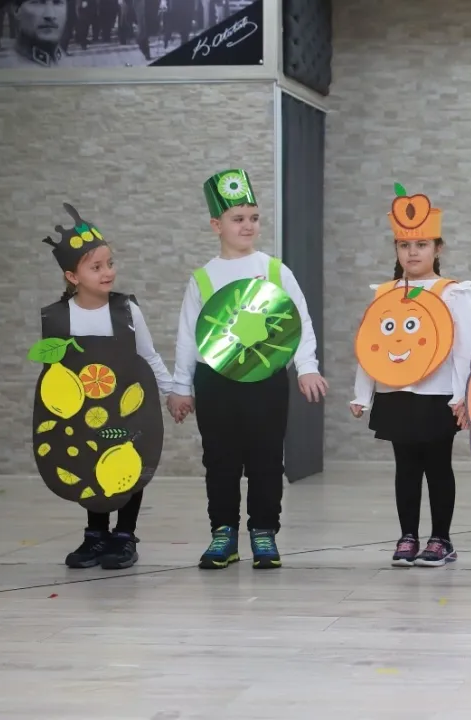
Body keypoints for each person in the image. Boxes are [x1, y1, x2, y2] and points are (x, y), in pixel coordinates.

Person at [168, 169, 327, 570]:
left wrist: (306, 366)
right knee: (219, 458)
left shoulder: (275, 271)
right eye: (237, 218)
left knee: (266, 457)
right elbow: (188, 335)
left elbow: (298, 321)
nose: (247, 225)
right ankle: (223, 533)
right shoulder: (203, 278)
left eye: (253, 218)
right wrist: (181, 386)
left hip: (266, 379)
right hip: (215, 380)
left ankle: (264, 531)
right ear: (216, 225)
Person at [37, 203, 173, 570]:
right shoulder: (58, 318)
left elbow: (148, 355)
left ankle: (124, 535)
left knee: (128, 463)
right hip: (83, 410)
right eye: (96, 267)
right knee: (88, 460)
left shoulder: (126, 311)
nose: (107, 272)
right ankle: (95, 534)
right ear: (72, 276)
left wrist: (172, 392)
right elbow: (54, 374)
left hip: (127, 404)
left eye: (109, 263)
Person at [350, 186, 471, 568]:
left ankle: (441, 539)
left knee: (437, 466)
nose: (413, 252)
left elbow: (466, 349)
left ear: (438, 248)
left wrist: (464, 395)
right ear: (396, 249)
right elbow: (372, 345)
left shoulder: (453, 293)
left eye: (422, 244)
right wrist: (362, 394)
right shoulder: (385, 293)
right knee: (405, 468)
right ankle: (408, 535)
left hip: (438, 396)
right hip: (395, 393)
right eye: (404, 245)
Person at [0, 0, 66, 67]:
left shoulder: (69, 63)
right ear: (16, 10)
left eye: (57, 2)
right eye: (38, 2)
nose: (50, 15)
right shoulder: (4, 66)